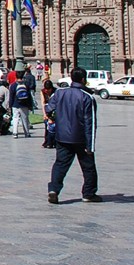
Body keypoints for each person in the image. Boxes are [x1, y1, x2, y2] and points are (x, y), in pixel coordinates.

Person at [45, 67, 100, 204]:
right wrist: (90, 146)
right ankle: (88, 193)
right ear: (83, 79)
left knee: (60, 165)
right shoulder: (87, 97)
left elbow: (48, 108)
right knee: (88, 167)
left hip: (62, 137)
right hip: (81, 139)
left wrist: (56, 118)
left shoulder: (59, 93)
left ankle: (53, 190)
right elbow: (90, 123)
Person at [10, 67, 35, 138]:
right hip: (24, 105)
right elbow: (29, 96)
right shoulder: (26, 85)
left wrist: (10, 105)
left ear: (16, 77)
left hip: (15, 104)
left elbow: (11, 96)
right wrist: (30, 105)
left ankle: (15, 133)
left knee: (15, 118)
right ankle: (26, 133)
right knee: (25, 118)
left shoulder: (13, 85)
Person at [41, 80, 57, 149]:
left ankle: (54, 141)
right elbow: (43, 103)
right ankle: (47, 141)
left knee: (54, 126)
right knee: (47, 126)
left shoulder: (56, 92)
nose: (47, 91)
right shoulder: (43, 91)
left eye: (49, 89)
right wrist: (44, 114)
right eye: (46, 89)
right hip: (47, 109)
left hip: (54, 110)